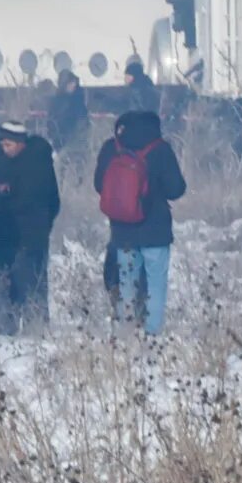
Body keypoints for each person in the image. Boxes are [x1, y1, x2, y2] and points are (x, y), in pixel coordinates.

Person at [95, 109, 186, 336]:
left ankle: (126, 330)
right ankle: (152, 334)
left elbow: (99, 185)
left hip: (122, 229)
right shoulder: (160, 148)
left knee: (127, 281)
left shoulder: (112, 148)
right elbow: (176, 189)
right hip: (155, 229)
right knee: (155, 283)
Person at [0, 121, 61, 330]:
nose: (5, 149)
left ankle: (35, 327)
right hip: (12, 234)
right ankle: (21, 327)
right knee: (14, 283)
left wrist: (6, 194)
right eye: (3, 145)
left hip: (30, 234)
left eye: (9, 145)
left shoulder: (36, 163)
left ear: (21, 143)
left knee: (31, 282)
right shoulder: (6, 162)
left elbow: (36, 199)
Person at [46, 70, 89, 151]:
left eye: (74, 83)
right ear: (64, 84)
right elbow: (51, 122)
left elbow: (83, 121)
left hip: (78, 143)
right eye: (70, 83)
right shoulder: (57, 102)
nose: (73, 85)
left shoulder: (78, 100)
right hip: (60, 143)